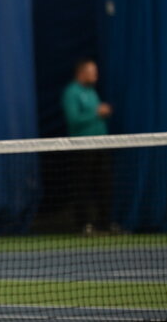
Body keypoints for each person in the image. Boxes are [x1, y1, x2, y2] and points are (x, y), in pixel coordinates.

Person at [61, 58, 113, 235]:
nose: (96, 75)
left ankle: (104, 224)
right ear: (82, 73)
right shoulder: (72, 92)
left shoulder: (92, 92)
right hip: (82, 148)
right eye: (92, 72)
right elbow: (73, 120)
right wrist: (96, 113)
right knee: (82, 187)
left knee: (104, 186)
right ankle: (84, 224)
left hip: (101, 146)